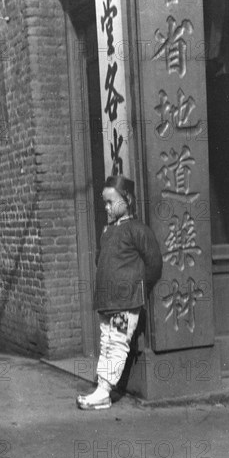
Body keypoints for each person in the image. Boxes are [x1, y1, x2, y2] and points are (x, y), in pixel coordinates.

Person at [77, 175, 162, 410]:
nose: (107, 207)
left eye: (111, 202)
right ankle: (101, 390)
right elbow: (99, 260)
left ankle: (104, 391)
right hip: (107, 300)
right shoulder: (107, 231)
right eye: (104, 202)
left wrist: (136, 286)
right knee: (106, 341)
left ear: (128, 200)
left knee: (117, 343)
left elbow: (154, 264)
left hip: (126, 302)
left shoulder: (138, 230)